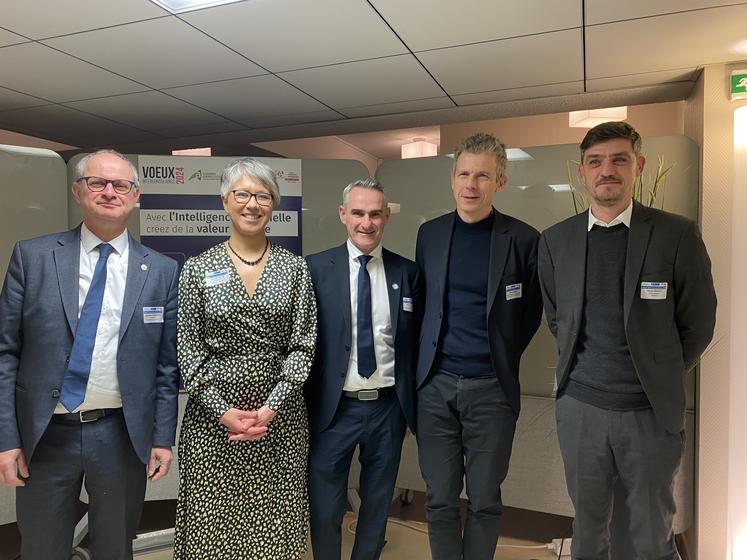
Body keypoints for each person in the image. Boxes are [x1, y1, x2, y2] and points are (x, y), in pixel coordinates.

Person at [538, 121, 717, 559]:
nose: (607, 170)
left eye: (619, 159)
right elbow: (558, 320)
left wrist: (659, 372)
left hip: (649, 414)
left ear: (637, 166)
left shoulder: (676, 235)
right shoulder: (555, 241)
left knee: (651, 534)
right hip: (581, 411)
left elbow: (698, 323)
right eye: (596, 162)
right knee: (588, 530)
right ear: (582, 172)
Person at [0, 149, 179, 560]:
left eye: (121, 185)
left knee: (115, 548)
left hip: (120, 436)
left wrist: (162, 438)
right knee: (42, 549)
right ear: (78, 191)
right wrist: (7, 438)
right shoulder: (33, 258)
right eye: (97, 183)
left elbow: (165, 367)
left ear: (136, 196)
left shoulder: (162, 271)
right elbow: (6, 354)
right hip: (46, 437)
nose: (109, 192)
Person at [174, 157, 317, 560]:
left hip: (281, 423)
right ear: (224, 200)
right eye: (242, 194)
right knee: (210, 528)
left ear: (273, 204)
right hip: (213, 424)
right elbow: (188, 349)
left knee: (275, 527)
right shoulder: (197, 270)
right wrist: (223, 411)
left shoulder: (295, 269)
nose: (252, 204)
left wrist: (270, 408)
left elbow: (304, 345)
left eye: (263, 195)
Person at [415, 133, 543, 559]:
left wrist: (500, 356)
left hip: (491, 388)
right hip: (435, 387)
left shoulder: (523, 240)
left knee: (485, 500)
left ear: (500, 182)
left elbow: (530, 314)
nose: (472, 184)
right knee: (440, 498)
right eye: (464, 174)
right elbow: (425, 307)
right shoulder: (429, 235)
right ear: (452, 179)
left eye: (483, 176)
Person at [305, 179, 422, 560]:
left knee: (376, 504)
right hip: (332, 410)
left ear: (386, 216)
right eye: (358, 213)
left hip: (387, 408)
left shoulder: (407, 273)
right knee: (325, 507)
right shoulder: (315, 269)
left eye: (375, 214)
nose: (366, 223)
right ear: (343, 215)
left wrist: (408, 408)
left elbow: (415, 344)